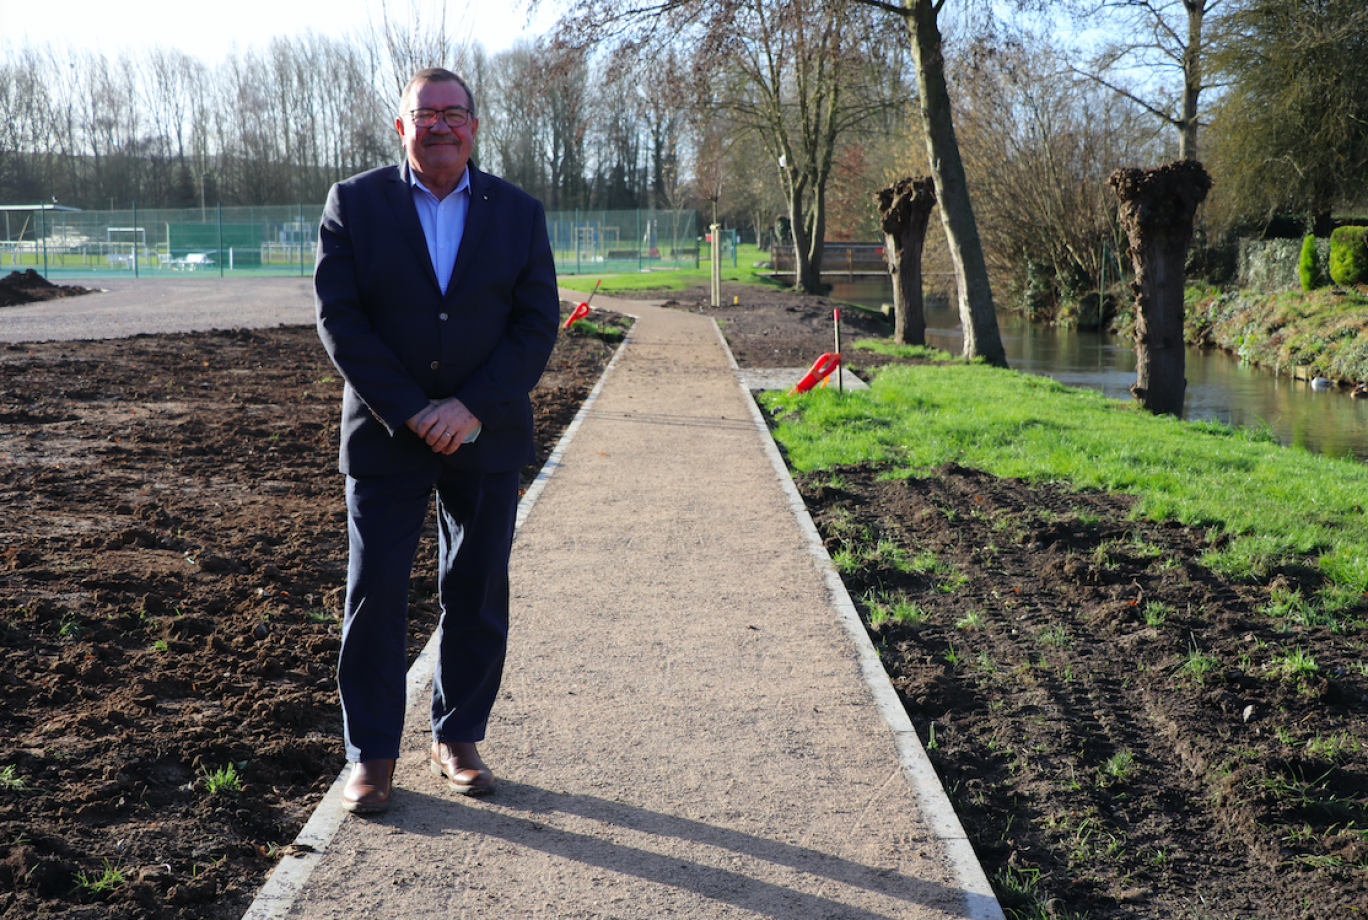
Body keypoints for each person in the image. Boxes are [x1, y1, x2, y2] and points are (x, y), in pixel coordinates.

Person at [314, 67, 559, 813]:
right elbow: (340, 320)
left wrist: (470, 407)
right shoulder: (354, 204)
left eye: (455, 114)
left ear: (475, 127)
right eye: (426, 115)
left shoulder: (518, 212)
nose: (441, 126)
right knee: (376, 593)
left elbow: (534, 324)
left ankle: (457, 736)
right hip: (388, 434)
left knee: (477, 589)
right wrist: (415, 409)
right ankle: (372, 756)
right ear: (402, 127)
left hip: (484, 434)